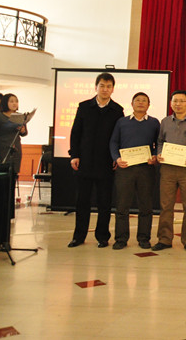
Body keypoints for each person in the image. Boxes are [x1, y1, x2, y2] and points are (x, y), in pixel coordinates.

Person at [68, 72, 124, 248]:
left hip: (106, 163)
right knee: (82, 201)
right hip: (84, 161)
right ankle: (79, 236)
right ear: (96, 87)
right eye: (102, 86)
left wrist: (116, 157)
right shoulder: (84, 107)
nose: (105, 89)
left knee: (104, 202)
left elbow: (119, 137)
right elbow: (75, 133)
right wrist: (74, 155)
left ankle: (102, 236)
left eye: (108, 86)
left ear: (113, 89)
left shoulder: (117, 110)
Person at [154, 90, 186, 252]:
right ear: (171, 103)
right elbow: (160, 142)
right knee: (166, 206)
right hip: (167, 169)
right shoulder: (165, 122)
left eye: (181, 101)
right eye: (175, 101)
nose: (178, 104)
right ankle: (164, 239)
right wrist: (159, 154)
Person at [108, 92, 160, 250]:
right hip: (125, 168)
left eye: (144, 101)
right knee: (122, 206)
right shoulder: (122, 122)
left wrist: (154, 155)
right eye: (138, 100)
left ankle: (144, 238)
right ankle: (121, 239)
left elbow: (159, 143)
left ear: (149, 105)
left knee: (146, 206)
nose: (141, 103)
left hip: (146, 169)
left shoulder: (154, 123)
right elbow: (113, 142)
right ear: (132, 104)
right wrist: (117, 158)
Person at [0, 93, 28, 218]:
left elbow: (24, 133)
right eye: (11, 101)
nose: (14, 103)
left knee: (12, 180)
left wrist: (23, 130)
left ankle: (10, 213)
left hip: (16, 151)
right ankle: (1, 212)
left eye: (16, 101)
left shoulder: (20, 116)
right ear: (5, 103)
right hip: (3, 150)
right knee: (3, 181)